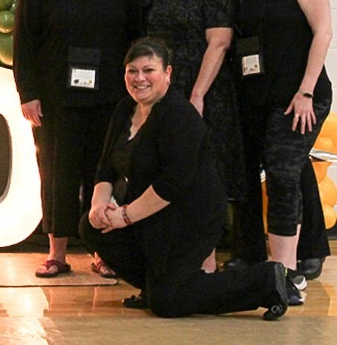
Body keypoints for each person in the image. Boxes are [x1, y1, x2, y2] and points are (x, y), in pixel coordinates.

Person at [79, 38, 290, 320]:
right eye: (132, 70)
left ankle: (265, 281)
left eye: (148, 70)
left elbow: (173, 183)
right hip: (150, 214)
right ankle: (155, 287)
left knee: (168, 305)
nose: (139, 78)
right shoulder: (123, 111)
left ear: (168, 73)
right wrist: (99, 206)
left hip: (191, 218)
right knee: (91, 227)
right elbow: (106, 167)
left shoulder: (179, 115)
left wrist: (126, 216)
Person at [13, 0, 145, 279]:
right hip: (56, 102)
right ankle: (57, 254)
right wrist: (28, 93)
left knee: (102, 176)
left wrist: (137, 95)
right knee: (57, 175)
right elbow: (24, 43)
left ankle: (102, 252)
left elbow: (138, 39)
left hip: (112, 101)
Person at [236, 0, 332, 305]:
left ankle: (288, 273)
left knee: (281, 174)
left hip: (299, 97)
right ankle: (277, 267)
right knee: (272, 175)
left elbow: (323, 31)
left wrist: (306, 90)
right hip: (259, 95)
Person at [146, 0, 244, 271]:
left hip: (204, 94)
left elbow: (219, 43)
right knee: (171, 177)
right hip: (166, 96)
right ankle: (176, 265)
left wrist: (198, 95)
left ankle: (205, 267)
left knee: (203, 181)